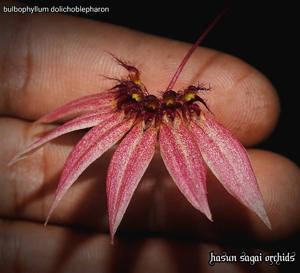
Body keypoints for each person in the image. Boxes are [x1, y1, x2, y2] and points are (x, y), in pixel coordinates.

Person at [0, 5, 299, 273]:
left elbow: (222, 164)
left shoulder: (191, 120)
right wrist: (50, 123)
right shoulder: (120, 106)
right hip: (123, 114)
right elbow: (74, 123)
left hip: (172, 121)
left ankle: (252, 208)